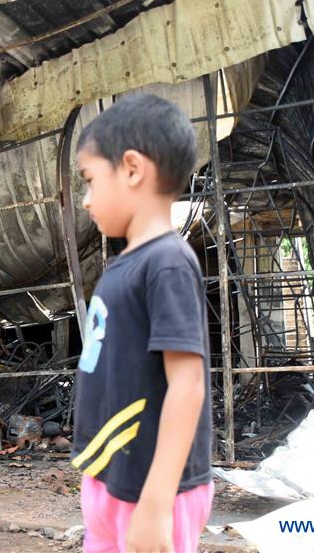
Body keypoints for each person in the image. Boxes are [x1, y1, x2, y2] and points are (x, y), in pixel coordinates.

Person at [71, 93, 213, 553]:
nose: (87, 200)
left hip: (152, 489)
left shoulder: (168, 262)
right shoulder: (124, 265)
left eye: (90, 180)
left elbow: (187, 385)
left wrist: (156, 503)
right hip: (115, 476)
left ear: (132, 169)